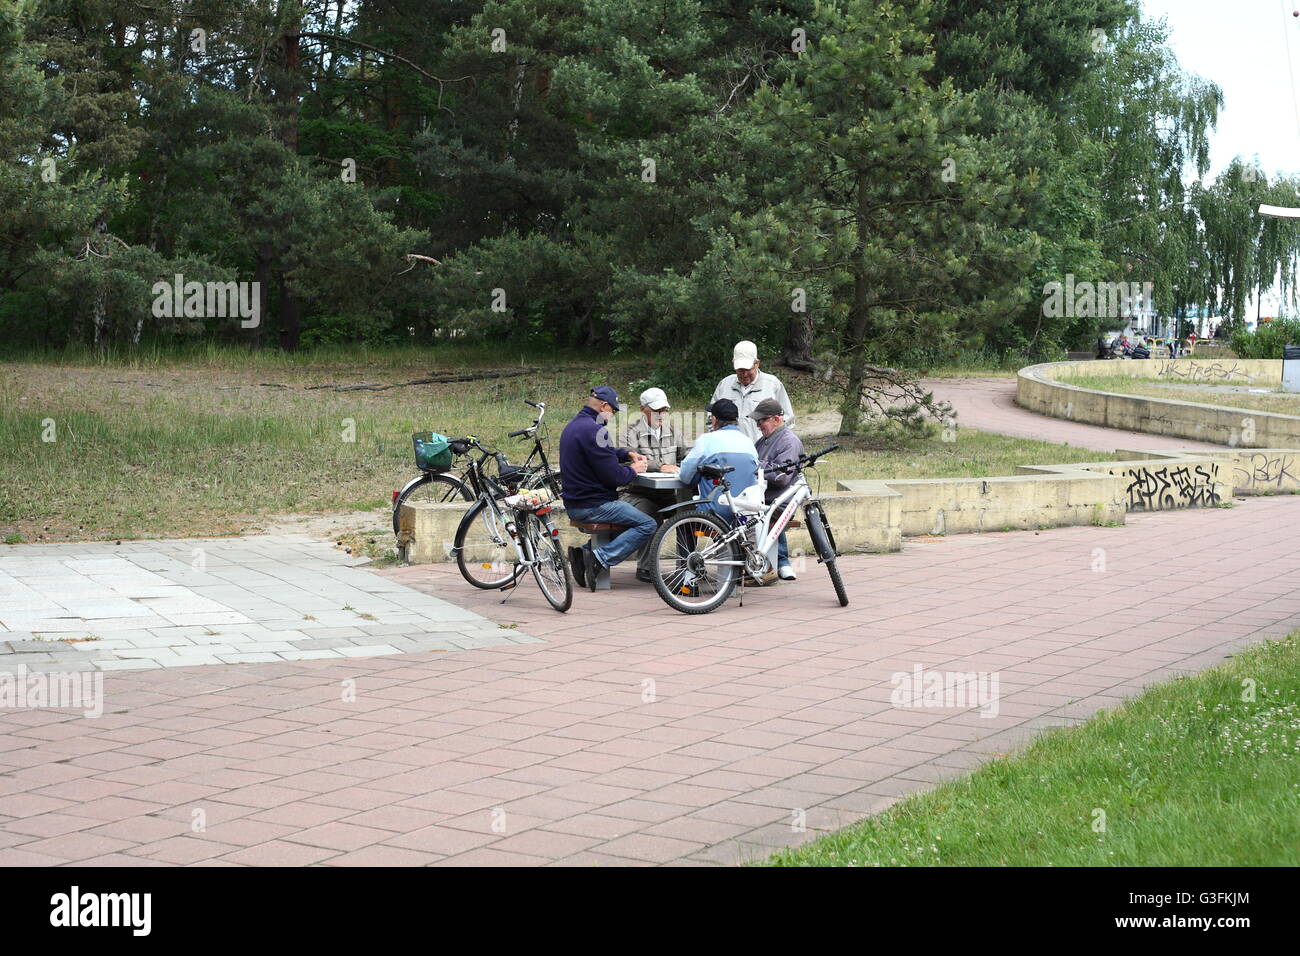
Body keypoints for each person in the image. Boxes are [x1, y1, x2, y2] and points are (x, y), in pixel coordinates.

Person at [558, 386, 654, 590]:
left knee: (632, 519)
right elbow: (615, 476)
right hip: (593, 505)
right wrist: (634, 470)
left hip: (575, 502)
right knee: (647, 524)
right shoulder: (595, 430)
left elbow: (603, 453)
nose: (613, 415)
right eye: (613, 411)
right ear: (604, 406)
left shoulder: (575, 426)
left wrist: (626, 454)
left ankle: (580, 554)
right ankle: (597, 558)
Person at [620, 387, 690, 582]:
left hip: (668, 494)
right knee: (650, 513)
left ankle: (687, 566)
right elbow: (629, 462)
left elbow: (689, 456)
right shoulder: (629, 434)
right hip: (636, 493)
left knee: (689, 513)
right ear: (643, 409)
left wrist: (688, 464)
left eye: (665, 410)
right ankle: (646, 568)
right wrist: (660, 466)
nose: (661, 414)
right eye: (656, 410)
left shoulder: (675, 433)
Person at [677, 399, 759, 522]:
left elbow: (685, 476)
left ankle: (687, 541)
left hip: (714, 514)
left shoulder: (706, 440)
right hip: (745, 514)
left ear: (714, 420)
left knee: (685, 509)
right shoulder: (749, 442)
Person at [752, 398, 804, 581]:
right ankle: (775, 563)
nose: (758, 425)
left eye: (762, 420)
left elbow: (781, 477)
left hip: (780, 501)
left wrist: (758, 466)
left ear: (776, 419)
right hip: (766, 499)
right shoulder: (763, 441)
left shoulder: (789, 441)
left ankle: (777, 563)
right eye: (757, 421)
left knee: (757, 517)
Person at [711, 340, 795, 442]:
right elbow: (711, 418)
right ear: (733, 364)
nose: (744, 374)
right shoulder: (724, 385)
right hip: (729, 450)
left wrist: (772, 443)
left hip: (762, 451)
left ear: (757, 364)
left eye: (748, 369)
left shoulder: (772, 385)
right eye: (740, 369)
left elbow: (787, 419)